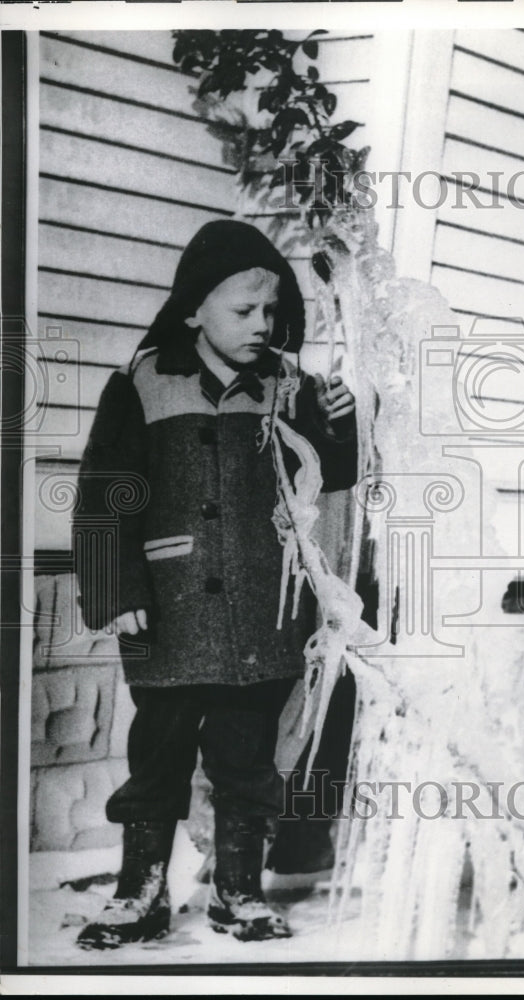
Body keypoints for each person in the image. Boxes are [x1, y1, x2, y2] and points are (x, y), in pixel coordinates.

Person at [72, 220, 357, 949]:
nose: (263, 326)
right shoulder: (142, 384)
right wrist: (114, 589)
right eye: (244, 311)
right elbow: (105, 495)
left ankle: (238, 891)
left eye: (271, 313)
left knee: (247, 759)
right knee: (158, 756)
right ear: (194, 309)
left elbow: (335, 477)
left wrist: (340, 429)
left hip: (263, 611)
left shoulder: (288, 391)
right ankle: (138, 893)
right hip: (166, 613)